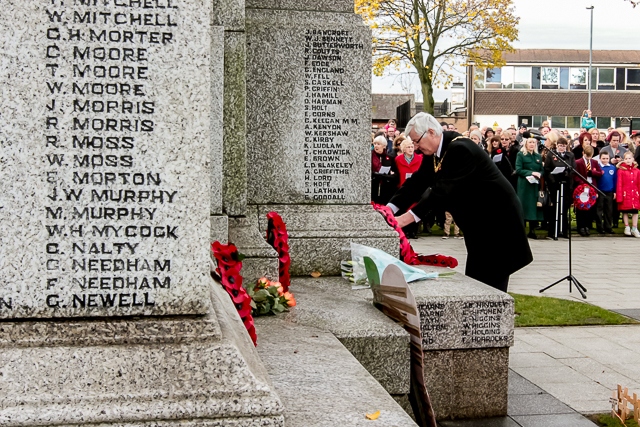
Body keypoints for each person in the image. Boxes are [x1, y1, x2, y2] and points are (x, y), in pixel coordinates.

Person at [388, 113, 532, 292]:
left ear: (431, 132)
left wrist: (403, 220)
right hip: (480, 227)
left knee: (490, 287)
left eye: (417, 141)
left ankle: (493, 318)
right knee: (476, 282)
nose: (415, 147)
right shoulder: (437, 151)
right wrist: (389, 209)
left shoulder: (460, 149)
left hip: (498, 225)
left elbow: (441, 192)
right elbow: (417, 182)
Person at [515, 138, 544, 239]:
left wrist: (539, 174)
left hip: (534, 184)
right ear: (526, 144)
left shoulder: (538, 156)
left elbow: (541, 169)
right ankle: (522, 229)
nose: (532, 144)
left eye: (534, 143)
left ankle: (532, 230)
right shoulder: (521, 155)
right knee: (524, 205)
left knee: (533, 206)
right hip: (524, 184)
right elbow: (518, 169)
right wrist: (531, 173)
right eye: (530, 142)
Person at [574, 145, 603, 236]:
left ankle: (587, 226)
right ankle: (581, 227)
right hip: (581, 188)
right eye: (587, 156)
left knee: (589, 208)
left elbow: (600, 173)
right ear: (583, 153)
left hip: (592, 188)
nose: (588, 158)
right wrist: (582, 183)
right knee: (581, 207)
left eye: (590, 156)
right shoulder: (578, 162)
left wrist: (592, 172)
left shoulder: (594, 162)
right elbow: (575, 175)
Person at [616, 151, 640, 237]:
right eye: (626, 159)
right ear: (623, 160)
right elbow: (619, 184)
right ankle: (627, 226)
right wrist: (619, 197)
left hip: (635, 194)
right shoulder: (621, 171)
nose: (628, 160)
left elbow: (638, 183)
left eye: (629, 158)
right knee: (625, 211)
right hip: (625, 194)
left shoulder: (637, 171)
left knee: (635, 212)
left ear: (633, 159)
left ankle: (634, 227)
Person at [371, 135, 397, 205]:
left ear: (384, 146)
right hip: (373, 187)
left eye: (378, 144)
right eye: (375, 144)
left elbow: (395, 174)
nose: (376, 146)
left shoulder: (390, 158)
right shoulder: (369, 156)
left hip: (386, 188)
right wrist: (375, 174)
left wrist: (383, 176)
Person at [596, 152, 617, 234]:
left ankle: (608, 227)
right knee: (599, 210)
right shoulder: (598, 167)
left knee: (609, 210)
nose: (605, 160)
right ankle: (600, 227)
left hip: (609, 192)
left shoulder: (612, 168)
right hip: (600, 191)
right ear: (600, 159)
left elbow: (615, 180)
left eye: (607, 158)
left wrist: (614, 191)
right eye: (603, 158)